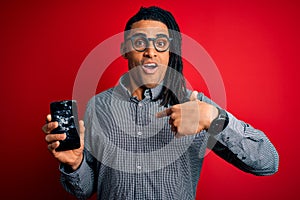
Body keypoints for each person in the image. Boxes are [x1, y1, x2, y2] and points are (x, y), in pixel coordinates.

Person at [42, 6, 279, 200]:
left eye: (161, 44)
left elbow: (268, 163)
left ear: (170, 52)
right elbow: (84, 189)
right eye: (140, 43)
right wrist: (75, 164)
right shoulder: (98, 106)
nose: (151, 52)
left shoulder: (195, 107)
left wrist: (214, 118)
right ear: (125, 50)